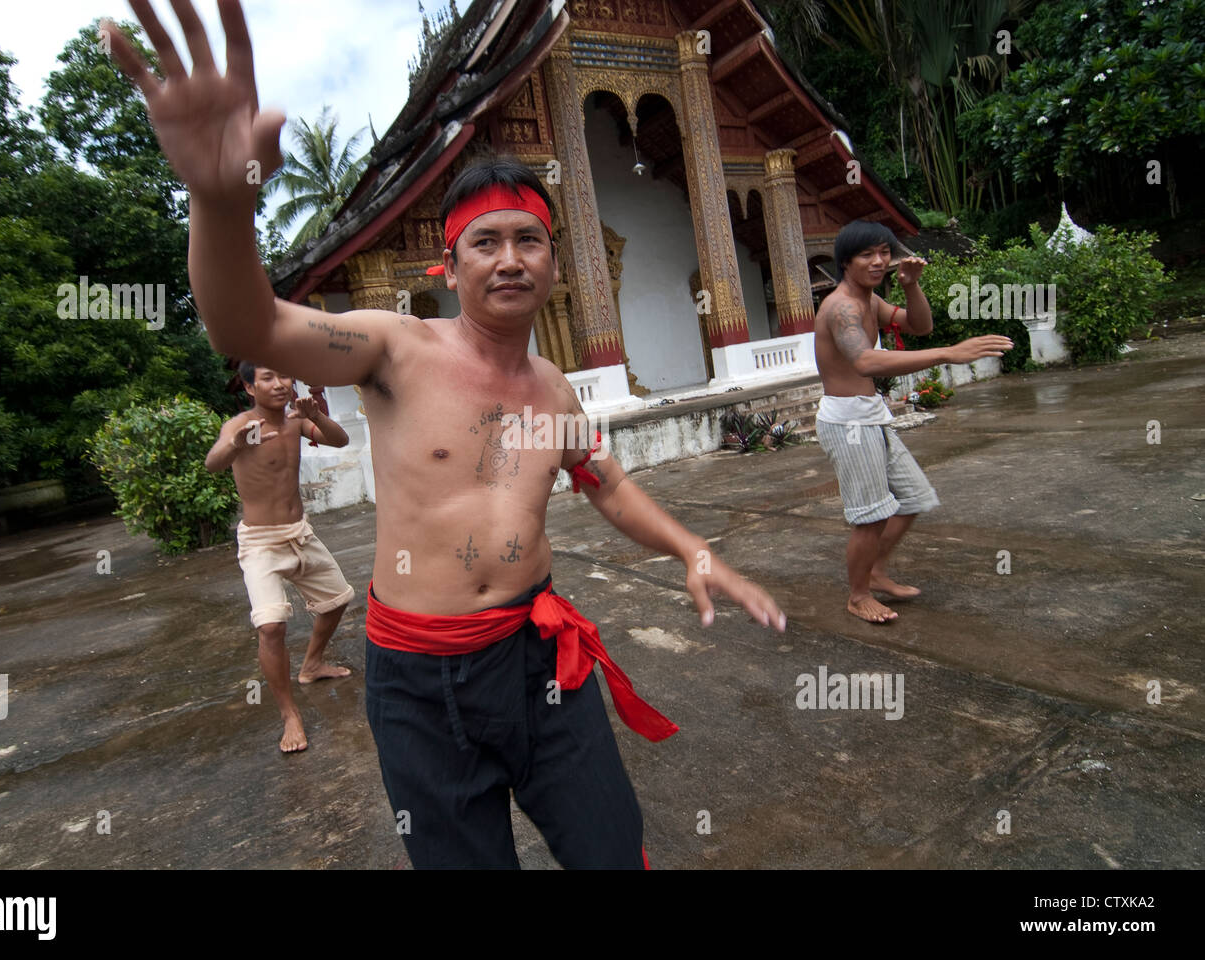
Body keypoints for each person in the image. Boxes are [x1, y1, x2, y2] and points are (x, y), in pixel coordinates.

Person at [106, 1, 785, 868]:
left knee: (612, 853)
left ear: (554, 257)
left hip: (541, 659)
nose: (510, 258)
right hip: (419, 682)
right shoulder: (395, 348)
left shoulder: (554, 391)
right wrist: (217, 199)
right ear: (451, 262)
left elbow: (605, 484)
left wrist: (694, 549)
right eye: (487, 242)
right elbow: (246, 325)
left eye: (530, 240)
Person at [813, 220, 1013, 624]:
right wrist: (948, 354)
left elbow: (920, 326)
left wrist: (910, 285)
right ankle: (858, 595)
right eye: (867, 254)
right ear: (845, 262)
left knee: (912, 499)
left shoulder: (868, 300)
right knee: (871, 517)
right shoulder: (842, 307)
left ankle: (877, 571)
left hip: (872, 416)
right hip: (848, 424)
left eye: (884, 252)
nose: (878, 261)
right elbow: (865, 361)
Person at [205, 361, 356, 752]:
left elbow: (340, 441)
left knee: (338, 599)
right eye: (267, 378)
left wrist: (316, 415)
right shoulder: (239, 426)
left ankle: (312, 665)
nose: (279, 384)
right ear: (250, 387)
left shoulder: (295, 421)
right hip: (260, 542)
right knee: (271, 627)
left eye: (284, 376)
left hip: (300, 533)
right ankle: (290, 715)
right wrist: (237, 444)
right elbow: (213, 462)